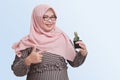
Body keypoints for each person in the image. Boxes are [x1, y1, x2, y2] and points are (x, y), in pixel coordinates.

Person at [11, 4, 88, 80]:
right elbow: (17, 71)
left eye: (52, 17)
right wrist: (28, 60)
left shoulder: (62, 38)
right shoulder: (27, 42)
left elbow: (74, 63)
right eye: (45, 17)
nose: (50, 21)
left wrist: (82, 53)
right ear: (36, 18)